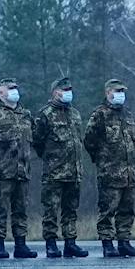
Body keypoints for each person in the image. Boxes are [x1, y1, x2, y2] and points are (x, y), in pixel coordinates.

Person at [0, 78, 38, 260]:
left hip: (23, 171)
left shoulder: (26, 115)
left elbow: (34, 139)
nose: (15, 91)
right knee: (0, 210)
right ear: (1, 93)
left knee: (20, 210)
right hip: (2, 171)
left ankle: (21, 245)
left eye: (16, 88)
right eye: (11, 88)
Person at [85, 79, 135, 258]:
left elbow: (134, 140)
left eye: (122, 91)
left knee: (127, 210)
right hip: (109, 172)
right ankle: (107, 243)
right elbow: (89, 140)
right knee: (107, 209)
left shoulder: (128, 114)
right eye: (117, 91)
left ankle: (124, 242)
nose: (121, 94)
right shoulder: (100, 115)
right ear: (108, 92)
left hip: (129, 172)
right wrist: (102, 159)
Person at [33, 77, 88, 258]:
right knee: (51, 209)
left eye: (70, 89)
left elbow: (79, 140)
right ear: (55, 92)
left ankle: (70, 242)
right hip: (54, 172)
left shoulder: (75, 114)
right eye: (64, 89)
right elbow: (37, 142)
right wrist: (52, 159)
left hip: (74, 171)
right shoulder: (45, 114)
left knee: (71, 210)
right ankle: (51, 243)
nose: (68, 93)